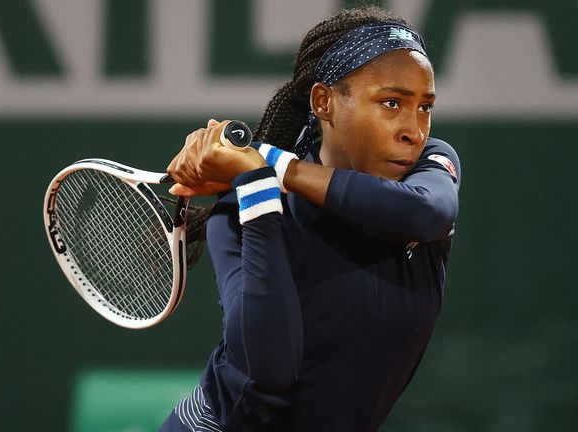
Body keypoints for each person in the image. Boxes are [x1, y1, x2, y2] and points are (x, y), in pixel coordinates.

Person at [161, 6, 461, 432]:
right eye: (391, 103)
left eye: (425, 106)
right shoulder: (240, 211)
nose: (414, 130)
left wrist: (269, 163)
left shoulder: (429, 168)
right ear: (324, 102)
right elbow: (270, 366)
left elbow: (427, 212)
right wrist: (259, 194)